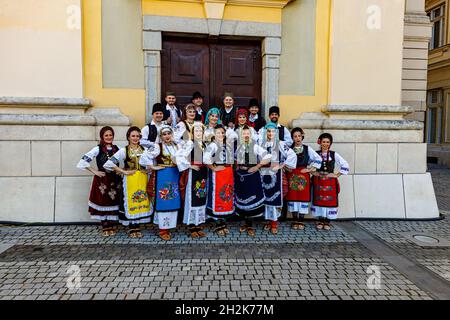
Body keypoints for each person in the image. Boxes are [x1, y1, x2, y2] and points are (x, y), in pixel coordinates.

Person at [104, 127, 153, 238]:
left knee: (141, 201)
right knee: (131, 201)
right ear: (128, 137)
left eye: (137, 136)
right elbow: (108, 164)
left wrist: (148, 170)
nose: (135, 138)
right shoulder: (123, 150)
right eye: (133, 136)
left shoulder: (144, 150)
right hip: (129, 180)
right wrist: (123, 171)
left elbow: (151, 164)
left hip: (142, 179)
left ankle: (137, 227)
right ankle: (132, 228)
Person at [77, 126, 122, 237]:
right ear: (102, 136)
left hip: (115, 180)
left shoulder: (118, 149)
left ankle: (111, 224)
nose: (108, 137)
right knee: (103, 201)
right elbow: (83, 161)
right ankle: (105, 225)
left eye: (110, 135)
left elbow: (126, 159)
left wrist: (121, 171)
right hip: (102, 180)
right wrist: (94, 171)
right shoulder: (98, 149)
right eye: (106, 135)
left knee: (113, 200)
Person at [140, 125, 181, 241]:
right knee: (164, 200)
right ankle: (163, 229)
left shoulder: (176, 146)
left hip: (174, 174)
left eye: (169, 133)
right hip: (163, 175)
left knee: (173, 200)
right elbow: (144, 157)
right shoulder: (158, 147)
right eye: (164, 134)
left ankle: (170, 226)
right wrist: (153, 167)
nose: (167, 136)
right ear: (160, 136)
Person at [259, 122, 296, 235]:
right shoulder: (261, 144)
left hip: (276, 175)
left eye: (273, 131)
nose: (270, 133)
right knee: (265, 198)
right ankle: (267, 221)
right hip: (264, 174)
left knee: (275, 198)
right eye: (268, 131)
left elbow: (292, 155)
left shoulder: (280, 144)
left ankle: (274, 223)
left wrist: (282, 165)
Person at [234, 125, 271, 237]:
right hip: (241, 176)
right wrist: (237, 166)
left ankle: (250, 225)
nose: (246, 135)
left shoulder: (255, 146)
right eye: (244, 133)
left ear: (251, 135)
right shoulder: (239, 147)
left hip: (252, 176)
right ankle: (245, 223)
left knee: (251, 200)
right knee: (243, 198)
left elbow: (268, 156)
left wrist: (257, 166)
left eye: (247, 133)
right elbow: (235, 158)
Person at [176, 122, 208, 238]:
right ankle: (191, 226)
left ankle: (198, 224)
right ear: (193, 133)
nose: (199, 133)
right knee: (192, 198)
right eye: (196, 131)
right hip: (193, 173)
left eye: (201, 131)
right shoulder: (190, 143)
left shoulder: (204, 144)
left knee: (201, 197)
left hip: (203, 173)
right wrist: (190, 166)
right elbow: (179, 156)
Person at [311, 133, 349, 231]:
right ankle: (320, 220)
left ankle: (327, 221)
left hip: (330, 182)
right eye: (324, 142)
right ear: (320, 142)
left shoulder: (333, 154)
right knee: (319, 200)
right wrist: (314, 172)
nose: (326, 144)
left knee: (329, 200)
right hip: (318, 181)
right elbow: (308, 164)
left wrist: (336, 175)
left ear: (330, 143)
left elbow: (345, 164)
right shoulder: (315, 153)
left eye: (328, 142)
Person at [285, 128, 322, 230]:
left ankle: (301, 220)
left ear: (302, 136)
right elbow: (283, 161)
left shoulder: (307, 148)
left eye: (299, 136)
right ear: (292, 138)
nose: (297, 138)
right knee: (293, 197)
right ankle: (294, 219)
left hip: (303, 176)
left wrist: (309, 169)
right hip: (292, 175)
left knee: (302, 197)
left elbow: (318, 159)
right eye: (295, 136)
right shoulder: (288, 149)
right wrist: (286, 168)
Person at [203, 124, 236, 236]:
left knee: (227, 194)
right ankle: (218, 223)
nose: (221, 135)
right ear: (214, 134)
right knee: (218, 195)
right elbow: (205, 158)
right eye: (218, 133)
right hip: (218, 174)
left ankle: (223, 221)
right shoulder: (213, 145)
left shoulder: (227, 145)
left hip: (227, 173)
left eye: (222, 133)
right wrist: (214, 168)